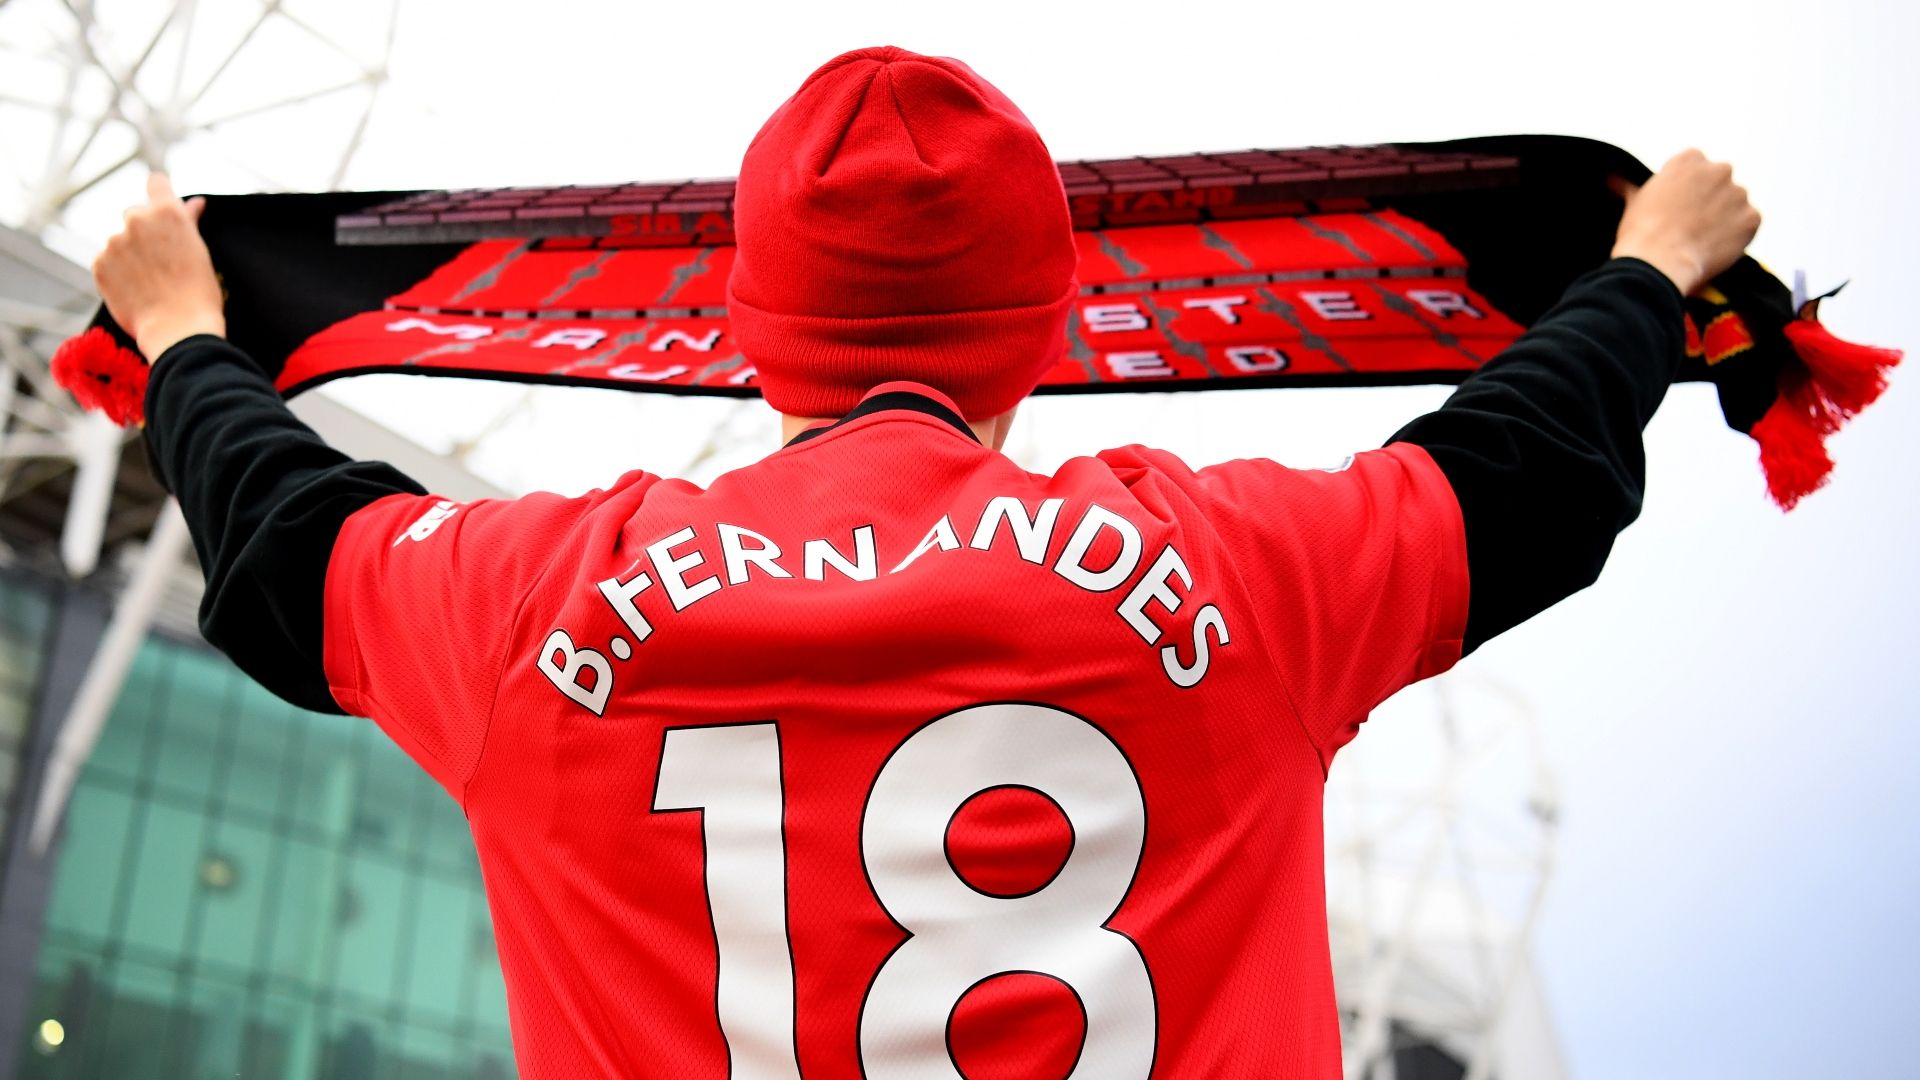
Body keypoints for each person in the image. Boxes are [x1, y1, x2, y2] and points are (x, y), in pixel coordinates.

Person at [91, 44, 1756, 1080]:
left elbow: (284, 543)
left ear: (739, 329)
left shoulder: (537, 609)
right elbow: (1521, 476)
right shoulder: (1235, 579)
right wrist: (1646, 270)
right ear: (1050, 332)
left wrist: (180, 335)